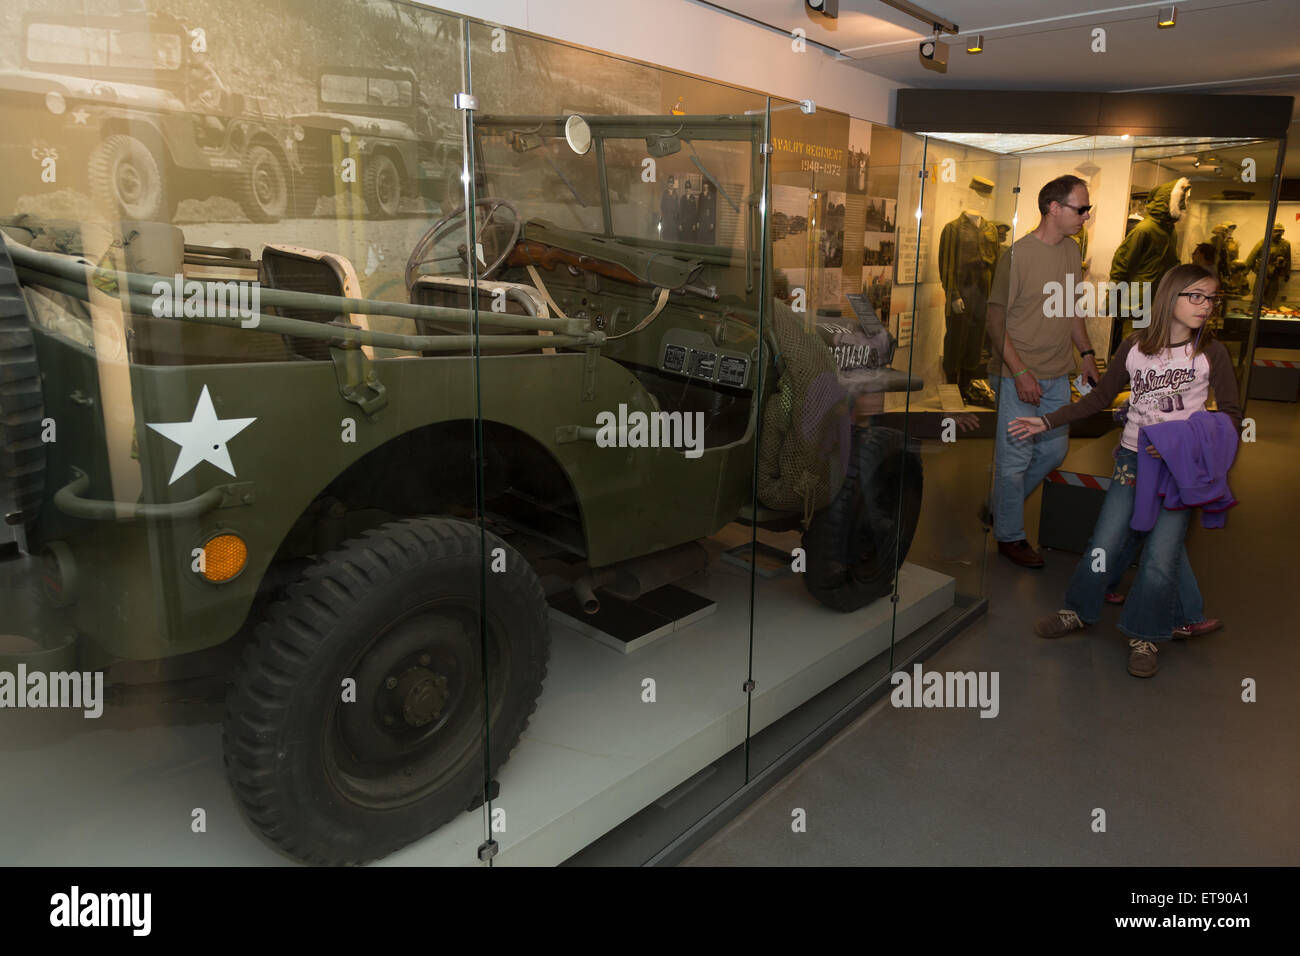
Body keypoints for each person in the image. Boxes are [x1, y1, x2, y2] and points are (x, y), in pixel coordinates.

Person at [1009, 264, 1242, 678]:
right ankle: (1078, 611)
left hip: (1177, 471)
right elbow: (1098, 398)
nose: (1205, 307)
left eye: (1211, 299)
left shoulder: (1212, 353)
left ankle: (1145, 636)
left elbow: (1231, 414)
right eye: (1196, 296)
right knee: (1104, 541)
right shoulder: (1135, 347)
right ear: (1170, 297)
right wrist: (1046, 421)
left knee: (1159, 556)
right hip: (1133, 462)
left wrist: (1203, 451)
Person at [984, 174, 1099, 568]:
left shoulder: (1071, 251)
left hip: (1056, 374)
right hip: (1018, 375)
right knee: (1014, 462)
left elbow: (1070, 309)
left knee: (1052, 451)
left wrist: (1086, 352)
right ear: (1054, 208)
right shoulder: (1016, 257)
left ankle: (1000, 508)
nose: (1086, 215)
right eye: (1080, 208)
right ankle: (1010, 536)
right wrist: (1019, 372)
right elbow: (995, 321)